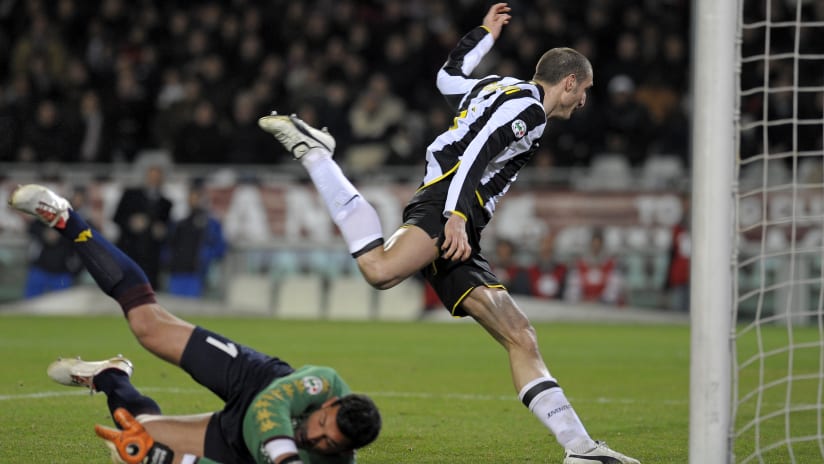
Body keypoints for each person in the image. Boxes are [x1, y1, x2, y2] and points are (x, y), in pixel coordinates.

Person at [257, 3, 639, 463]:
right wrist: (456, 216)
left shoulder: (496, 86)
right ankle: (317, 155)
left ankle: (579, 449)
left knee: (520, 334)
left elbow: (448, 77)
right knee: (379, 270)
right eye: (585, 90)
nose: (584, 101)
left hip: (458, 219)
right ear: (570, 81)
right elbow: (475, 155)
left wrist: (485, 34)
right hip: (448, 209)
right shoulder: (529, 109)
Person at [8, 184, 381, 464]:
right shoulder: (326, 384)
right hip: (257, 382)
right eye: (320, 424)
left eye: (328, 443)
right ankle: (67, 219)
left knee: (139, 441)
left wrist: (169, 460)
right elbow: (271, 405)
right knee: (148, 326)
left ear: (346, 450)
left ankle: (110, 376)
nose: (313, 436)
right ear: (329, 404)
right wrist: (284, 455)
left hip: (240, 447)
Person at [113, 164, 173, 290]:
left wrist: (162, 231)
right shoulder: (131, 195)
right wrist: (131, 222)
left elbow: (168, 228)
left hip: (151, 258)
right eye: (152, 177)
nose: (154, 180)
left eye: (157, 177)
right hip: (130, 251)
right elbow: (117, 217)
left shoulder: (166, 203)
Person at [164, 180, 227, 298]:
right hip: (177, 271)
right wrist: (168, 260)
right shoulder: (179, 223)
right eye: (191, 197)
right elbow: (169, 245)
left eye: (197, 197)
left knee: (194, 308)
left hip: (196, 273)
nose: (194, 200)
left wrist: (206, 258)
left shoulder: (211, 224)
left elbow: (220, 248)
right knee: (174, 308)